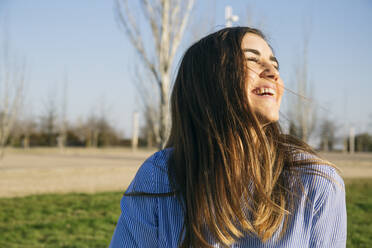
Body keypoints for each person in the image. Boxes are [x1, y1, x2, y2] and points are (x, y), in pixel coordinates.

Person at [109, 27, 346, 248]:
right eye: (252, 60)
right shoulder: (159, 175)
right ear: (208, 81)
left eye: (275, 64)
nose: (272, 72)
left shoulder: (316, 182)